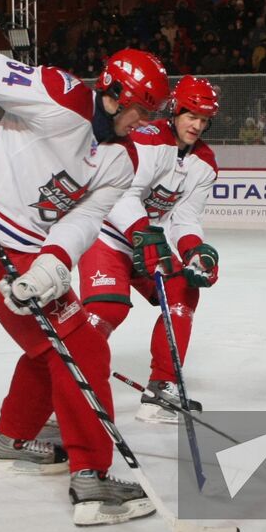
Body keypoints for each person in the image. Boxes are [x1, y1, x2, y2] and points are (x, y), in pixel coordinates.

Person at [0, 48, 168, 526]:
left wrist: (53, 264)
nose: (142, 122)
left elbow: (86, 217)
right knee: (84, 351)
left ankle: (14, 440)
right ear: (115, 94)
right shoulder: (62, 94)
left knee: (54, 348)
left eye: (151, 113)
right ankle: (93, 479)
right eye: (141, 109)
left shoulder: (120, 160)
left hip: (27, 253)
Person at [79, 75, 221, 423]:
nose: (197, 126)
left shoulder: (204, 163)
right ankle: (69, 390)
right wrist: (142, 231)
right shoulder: (147, 140)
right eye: (191, 116)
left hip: (145, 241)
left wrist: (195, 251)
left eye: (204, 120)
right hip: (107, 235)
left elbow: (184, 217)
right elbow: (119, 193)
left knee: (182, 290)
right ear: (175, 111)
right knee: (107, 310)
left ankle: (163, 389)